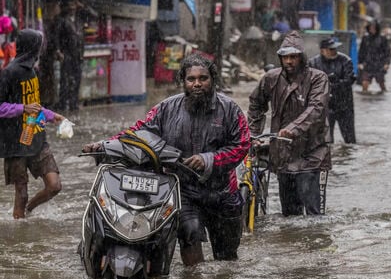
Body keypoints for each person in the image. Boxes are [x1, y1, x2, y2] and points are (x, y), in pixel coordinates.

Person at [83, 54, 250, 265]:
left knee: (227, 259)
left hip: (223, 191)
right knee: (189, 236)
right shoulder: (166, 108)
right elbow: (137, 132)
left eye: (203, 78)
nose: (197, 84)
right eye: (191, 79)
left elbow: (242, 145)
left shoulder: (230, 110)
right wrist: (104, 145)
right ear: (184, 82)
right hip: (184, 191)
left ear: (213, 80)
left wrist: (209, 159)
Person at [247, 31, 331, 216]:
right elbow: (256, 104)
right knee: (289, 215)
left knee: (312, 215)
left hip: (312, 152)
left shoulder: (318, 78)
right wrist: (253, 134)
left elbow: (316, 109)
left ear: (301, 57)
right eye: (285, 57)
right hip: (283, 154)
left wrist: (292, 129)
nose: (289, 61)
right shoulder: (271, 78)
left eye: (293, 57)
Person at [0, 29, 65, 219]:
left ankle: (29, 210)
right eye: (39, 46)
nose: (41, 50)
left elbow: (34, 106)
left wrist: (52, 116)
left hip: (36, 137)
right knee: (21, 193)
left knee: (54, 185)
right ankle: (20, 236)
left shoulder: (33, 72)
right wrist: (21, 109)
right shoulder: (8, 74)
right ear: (32, 48)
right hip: (15, 143)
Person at [308, 37, 356, 144]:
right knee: (326, 141)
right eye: (331, 49)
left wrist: (334, 83)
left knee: (350, 140)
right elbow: (309, 84)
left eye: (335, 48)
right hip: (325, 106)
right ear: (322, 51)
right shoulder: (313, 63)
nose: (334, 51)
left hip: (344, 105)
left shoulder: (345, 60)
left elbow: (349, 80)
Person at [53, 0, 96, 111]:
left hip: (78, 54)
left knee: (77, 79)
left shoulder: (80, 19)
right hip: (67, 53)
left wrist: (84, 6)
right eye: (70, 6)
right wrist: (58, 50)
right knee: (65, 80)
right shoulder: (62, 20)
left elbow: (94, 16)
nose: (72, 8)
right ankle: (63, 103)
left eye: (74, 6)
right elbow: (56, 36)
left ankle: (74, 103)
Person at [358, 20, 391, 94]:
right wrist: (360, 63)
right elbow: (361, 51)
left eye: (373, 28)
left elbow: (387, 52)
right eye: (370, 28)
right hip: (368, 65)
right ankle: (366, 97)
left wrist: (387, 63)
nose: (372, 29)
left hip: (379, 65)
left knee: (381, 84)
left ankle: (384, 94)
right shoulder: (365, 38)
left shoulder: (382, 39)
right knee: (364, 83)